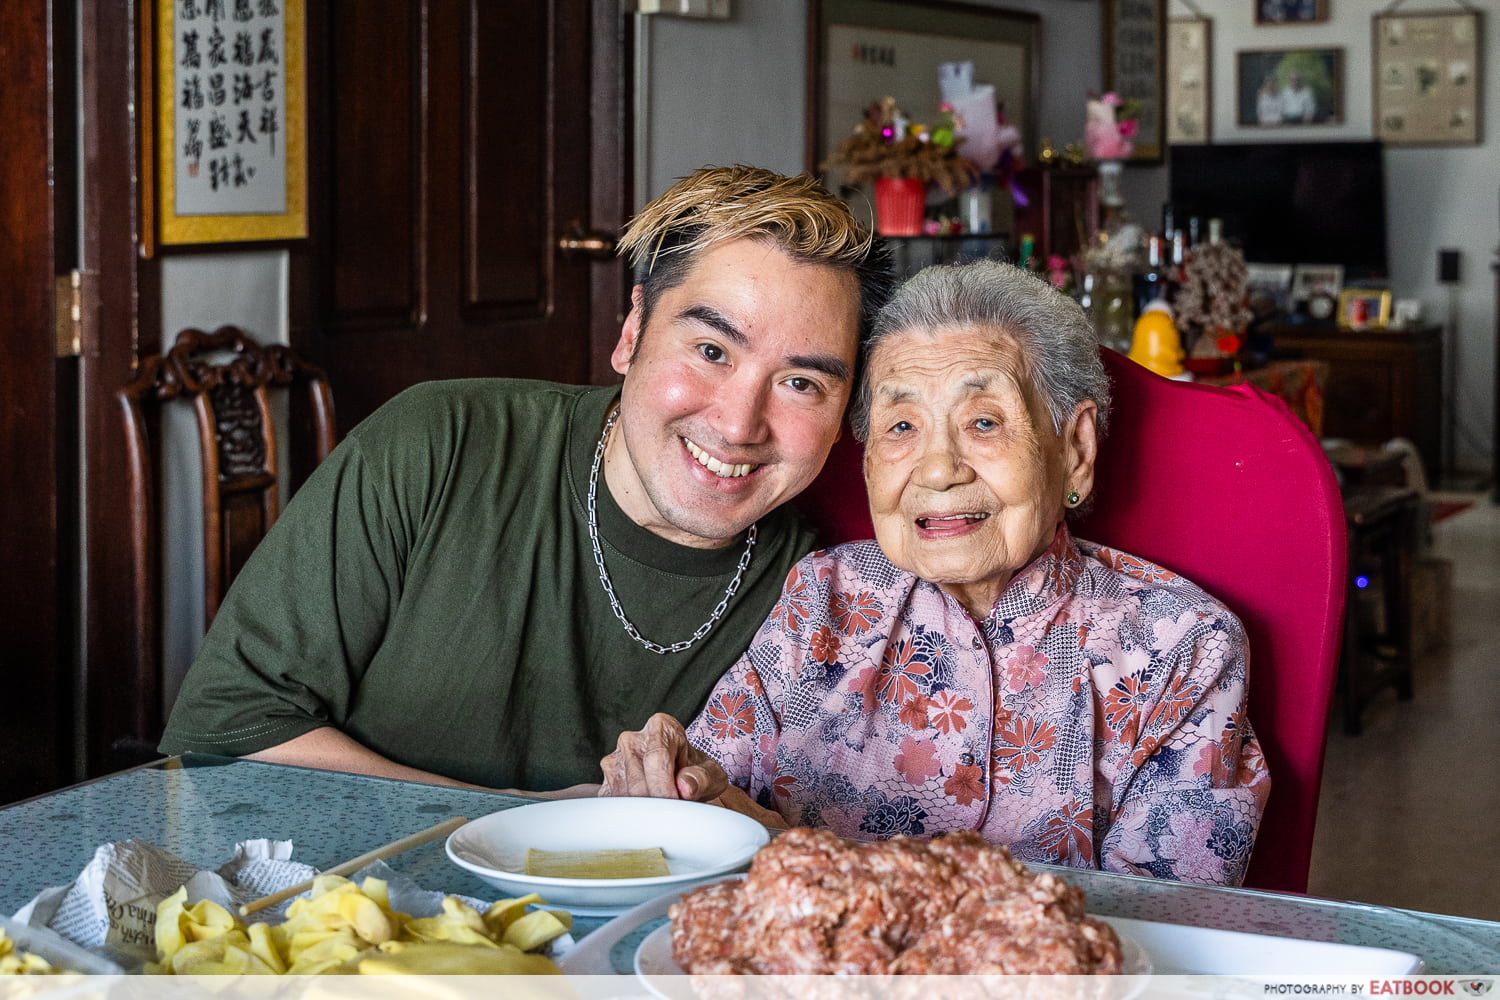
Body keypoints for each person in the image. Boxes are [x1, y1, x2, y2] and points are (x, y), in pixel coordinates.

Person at [157, 165, 894, 793]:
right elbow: (227, 729)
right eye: (710, 349)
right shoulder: (439, 446)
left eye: (802, 384)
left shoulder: (824, 597)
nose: (739, 425)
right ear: (633, 331)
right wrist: (520, 824)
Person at [601, 259, 1270, 886]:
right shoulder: (821, 600)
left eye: (984, 421)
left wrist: (798, 859)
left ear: (1075, 449)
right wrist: (679, 790)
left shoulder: (1184, 646)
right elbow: (706, 823)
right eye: (900, 426)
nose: (937, 467)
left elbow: (1165, 937)